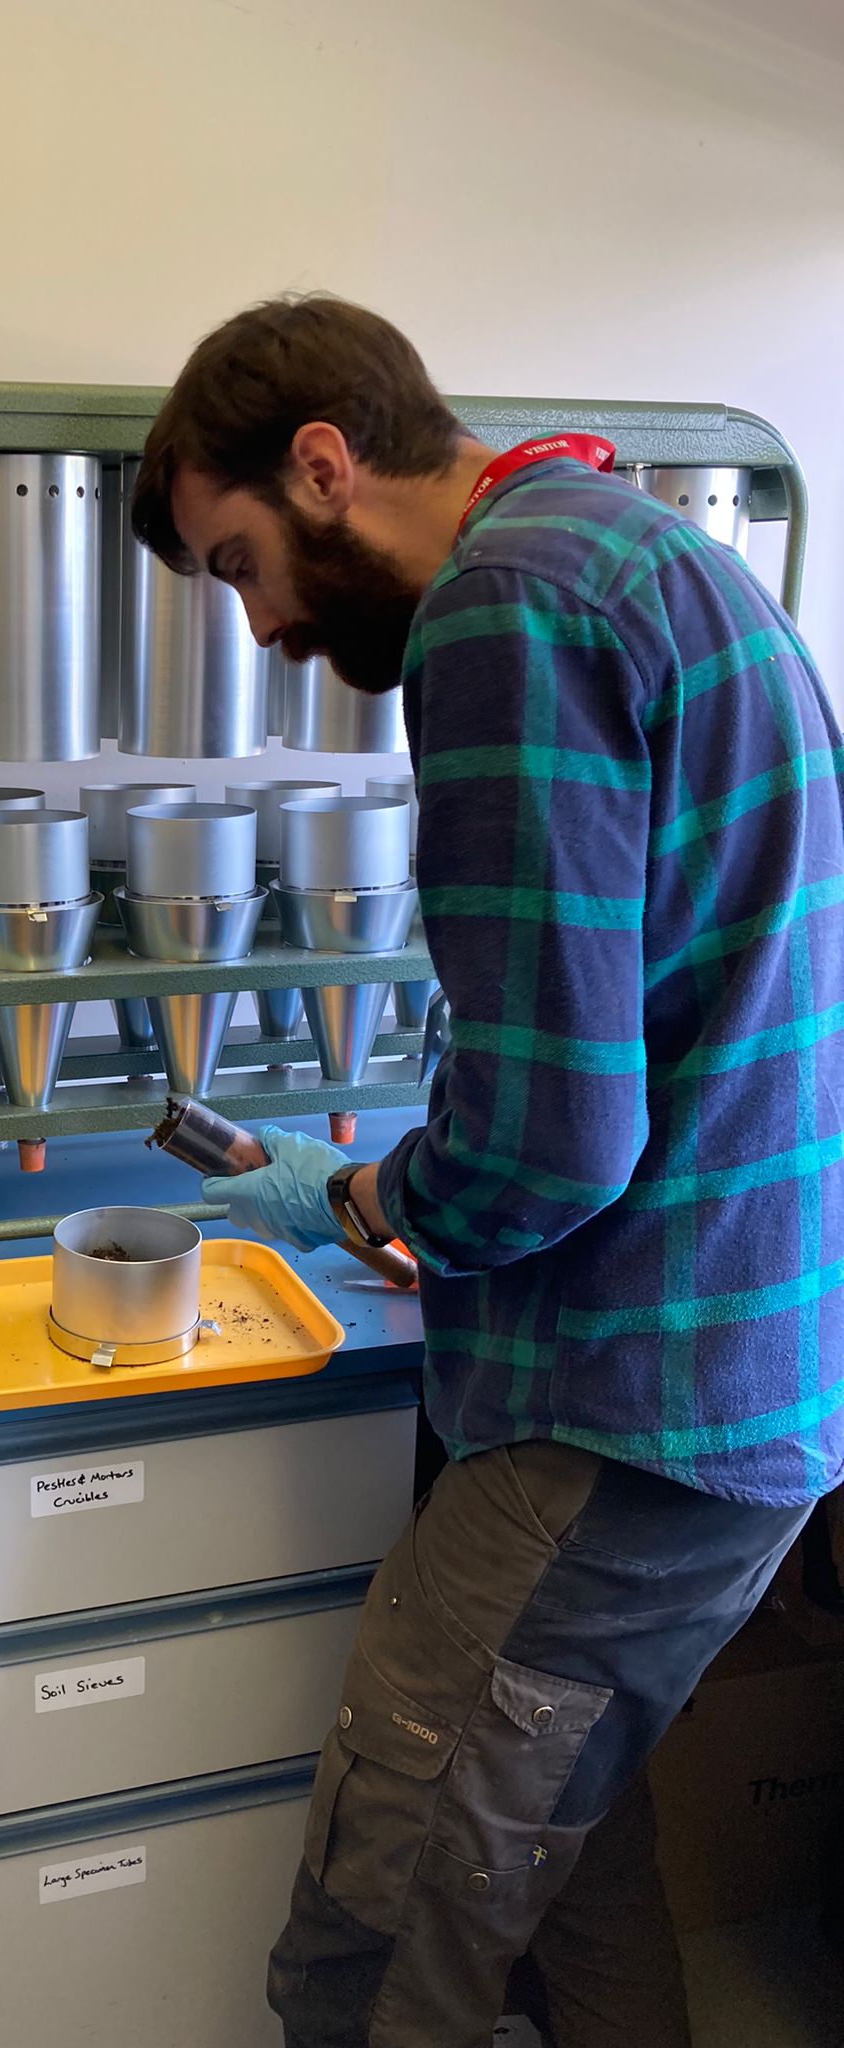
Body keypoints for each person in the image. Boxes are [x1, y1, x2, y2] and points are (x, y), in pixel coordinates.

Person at [130, 295, 844, 2048]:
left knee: (373, 1951)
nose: (264, 625)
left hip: (620, 1421)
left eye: (241, 565)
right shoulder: (646, 551)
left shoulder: (506, 606)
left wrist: (371, 1201)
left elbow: (552, 1142)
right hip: (748, 1380)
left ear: (325, 464)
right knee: (563, 1874)